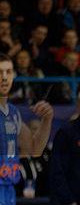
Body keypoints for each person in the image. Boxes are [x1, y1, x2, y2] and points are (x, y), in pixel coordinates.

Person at [0, 53, 53, 204]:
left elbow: (35, 149)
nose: (4, 77)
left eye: (8, 72)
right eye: (0, 72)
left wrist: (46, 120)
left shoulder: (13, 113)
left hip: (8, 190)